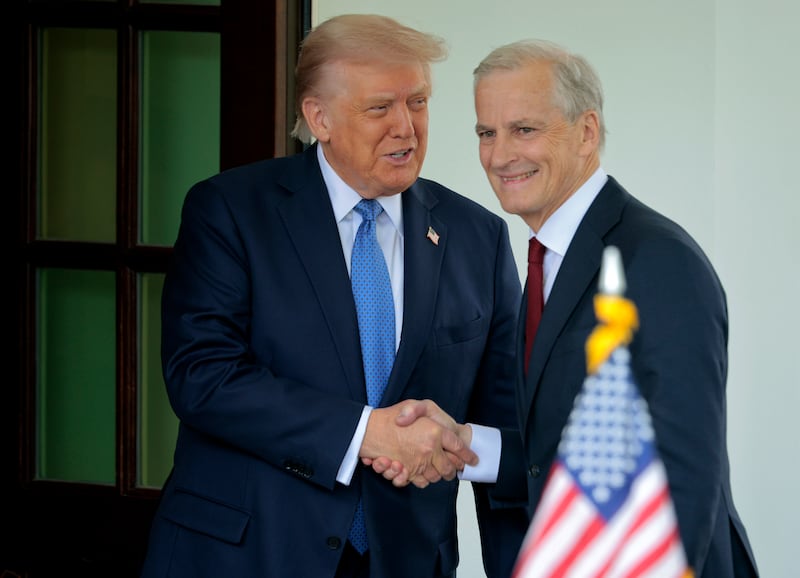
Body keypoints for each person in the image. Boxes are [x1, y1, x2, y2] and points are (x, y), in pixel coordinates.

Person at [139, 13, 528, 578]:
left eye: (417, 102)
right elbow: (201, 375)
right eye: (380, 108)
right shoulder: (230, 211)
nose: (406, 127)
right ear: (317, 117)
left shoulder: (479, 236)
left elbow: (508, 427)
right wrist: (361, 431)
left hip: (408, 561)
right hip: (246, 555)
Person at [386, 39, 759, 576]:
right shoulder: (546, 259)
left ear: (586, 132)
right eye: (486, 133)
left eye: (524, 130)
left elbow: (679, 479)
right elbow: (563, 456)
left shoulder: (655, 260)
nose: (500, 155)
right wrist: (467, 445)